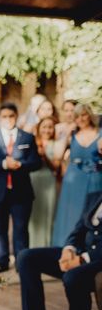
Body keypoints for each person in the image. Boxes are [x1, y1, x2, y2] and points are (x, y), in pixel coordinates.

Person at [8, 191, 102, 310]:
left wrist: (82, 260)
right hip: (81, 253)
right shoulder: (95, 196)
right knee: (26, 257)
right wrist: (69, 250)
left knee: (73, 277)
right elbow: (78, 230)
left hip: (97, 261)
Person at [0, 102, 41, 272]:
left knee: (21, 229)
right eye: (4, 116)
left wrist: (20, 164)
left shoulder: (27, 138)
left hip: (21, 192)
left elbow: (37, 162)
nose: (7, 119)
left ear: (16, 117)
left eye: (11, 116)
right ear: (0, 118)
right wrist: (3, 164)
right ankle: (3, 261)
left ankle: (22, 263)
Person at [52, 103, 102, 246]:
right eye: (77, 116)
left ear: (90, 115)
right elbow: (58, 156)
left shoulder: (100, 133)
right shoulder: (71, 135)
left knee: (91, 212)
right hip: (73, 179)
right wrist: (66, 134)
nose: (81, 118)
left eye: (84, 114)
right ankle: (67, 246)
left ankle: (89, 247)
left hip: (96, 177)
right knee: (72, 213)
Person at [29, 117, 64, 248]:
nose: (47, 130)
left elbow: (56, 166)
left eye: (50, 127)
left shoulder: (56, 144)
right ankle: (33, 246)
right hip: (33, 180)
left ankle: (47, 246)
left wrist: (44, 155)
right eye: (44, 126)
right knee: (34, 215)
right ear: (39, 128)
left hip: (49, 181)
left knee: (49, 213)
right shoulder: (33, 142)